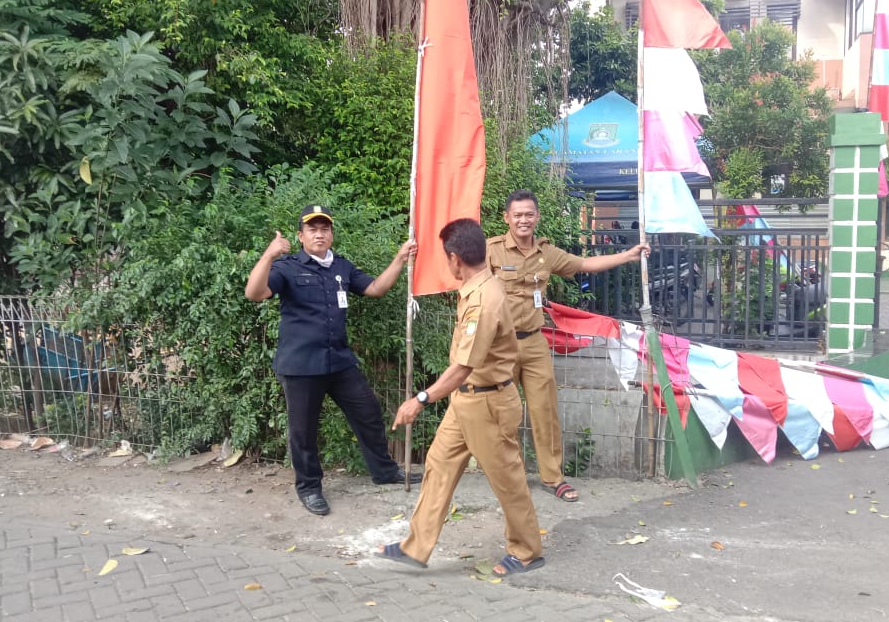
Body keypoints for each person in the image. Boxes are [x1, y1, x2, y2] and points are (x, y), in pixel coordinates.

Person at [377, 218, 544, 577]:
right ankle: (415, 547)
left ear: (455, 258)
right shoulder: (477, 287)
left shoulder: (483, 299)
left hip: (489, 404)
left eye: (445, 257)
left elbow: (463, 367)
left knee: (507, 480)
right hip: (466, 401)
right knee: (438, 465)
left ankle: (527, 551)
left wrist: (420, 399)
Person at [244, 204, 421, 516]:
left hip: (338, 362)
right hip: (301, 366)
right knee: (303, 431)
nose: (319, 234)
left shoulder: (341, 266)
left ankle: (383, 472)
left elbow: (375, 289)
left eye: (324, 228)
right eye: (312, 229)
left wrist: (399, 258)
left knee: (368, 411)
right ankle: (309, 488)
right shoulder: (287, 267)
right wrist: (268, 255)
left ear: (331, 234)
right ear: (300, 236)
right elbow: (254, 293)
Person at [487, 189, 649, 503]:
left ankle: (553, 477)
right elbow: (466, 280)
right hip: (499, 346)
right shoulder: (491, 251)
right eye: (517, 215)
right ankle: (507, 478)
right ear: (507, 218)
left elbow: (585, 264)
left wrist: (627, 255)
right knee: (501, 413)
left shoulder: (546, 253)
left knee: (545, 411)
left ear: (537, 217)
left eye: (529, 214)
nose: (523, 220)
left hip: (534, 342)